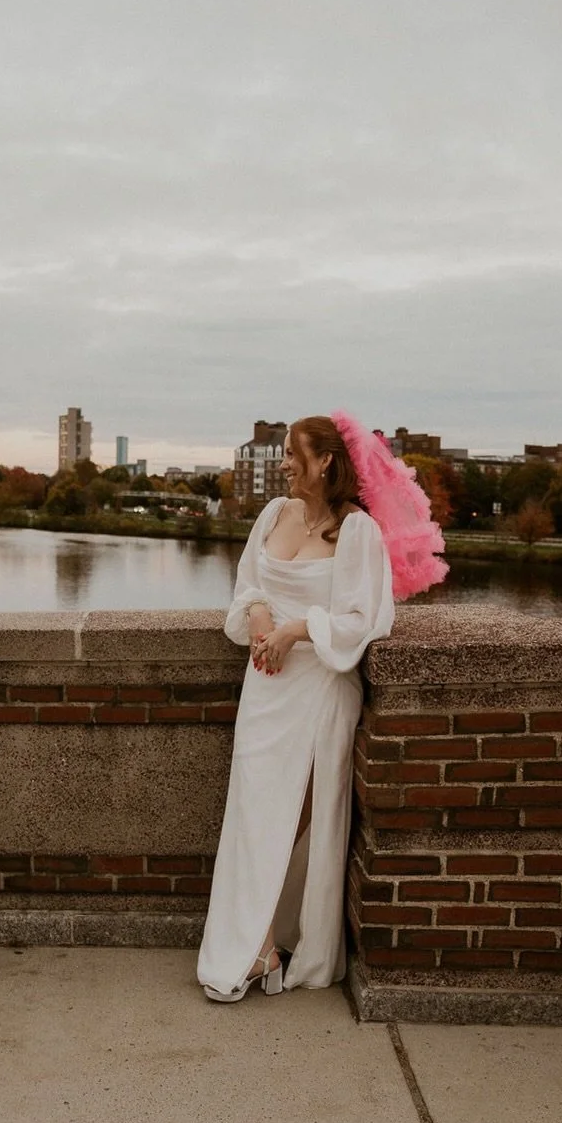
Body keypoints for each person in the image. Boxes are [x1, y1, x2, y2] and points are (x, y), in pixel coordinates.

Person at [197, 412, 447, 1001]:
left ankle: (263, 946)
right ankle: (253, 940)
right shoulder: (273, 514)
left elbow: (366, 617)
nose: (283, 462)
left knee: (293, 817)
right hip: (265, 686)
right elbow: (248, 583)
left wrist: (296, 630)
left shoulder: (357, 530)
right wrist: (260, 618)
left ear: (326, 460)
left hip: (318, 687)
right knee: (253, 815)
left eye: (291, 453)